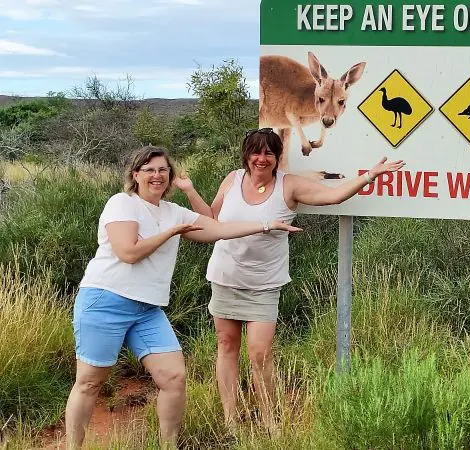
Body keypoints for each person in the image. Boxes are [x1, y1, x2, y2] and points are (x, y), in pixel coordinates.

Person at [65, 145, 302, 449]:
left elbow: (219, 229)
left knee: (174, 378)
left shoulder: (173, 212)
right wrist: (171, 232)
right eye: (149, 170)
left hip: (147, 308)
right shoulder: (123, 203)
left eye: (163, 170)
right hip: (106, 300)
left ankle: (168, 445)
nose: (157, 176)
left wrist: (267, 224)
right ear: (135, 174)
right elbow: (128, 253)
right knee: (89, 382)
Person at [177, 127, 404, 427]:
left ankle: (271, 421)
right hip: (225, 276)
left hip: (264, 284)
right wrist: (190, 190)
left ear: (277, 157)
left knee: (259, 354)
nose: (261, 158)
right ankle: (231, 420)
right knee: (226, 345)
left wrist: (368, 176)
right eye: (256, 152)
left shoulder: (289, 185)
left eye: (269, 153)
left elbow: (333, 196)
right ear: (246, 154)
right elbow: (212, 220)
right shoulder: (232, 179)